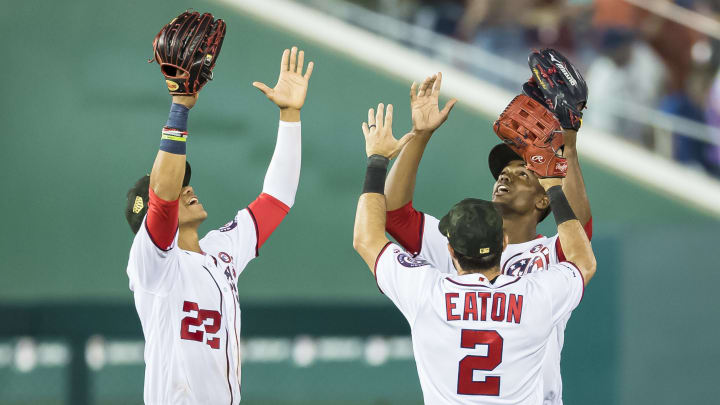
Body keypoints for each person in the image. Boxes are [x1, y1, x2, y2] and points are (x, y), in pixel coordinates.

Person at [352, 102, 596, 404]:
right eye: (503, 173)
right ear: (502, 244)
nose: (504, 177)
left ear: (452, 251)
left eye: (522, 173)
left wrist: (381, 157)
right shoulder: (537, 292)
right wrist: (559, 167)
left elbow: (374, 232)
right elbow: (581, 249)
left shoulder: (435, 285)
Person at [124, 46, 313, 404]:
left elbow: (277, 198)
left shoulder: (220, 249)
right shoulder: (152, 266)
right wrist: (179, 109)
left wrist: (290, 116)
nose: (188, 188)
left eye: (186, 182)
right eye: (179, 187)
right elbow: (162, 197)